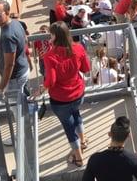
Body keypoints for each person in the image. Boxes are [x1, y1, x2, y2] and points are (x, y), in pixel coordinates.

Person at [42, 21, 90, 167]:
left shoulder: (49, 56)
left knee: (69, 127)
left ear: (55, 36)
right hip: (78, 93)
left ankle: (79, 158)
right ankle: (83, 141)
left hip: (60, 99)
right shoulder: (78, 47)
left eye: (51, 34)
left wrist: (42, 87)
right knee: (76, 114)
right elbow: (86, 68)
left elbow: (51, 81)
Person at [0, 0, 29, 146]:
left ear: (6, 13)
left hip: (14, 78)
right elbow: (23, 40)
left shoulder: (7, 35)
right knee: (21, 104)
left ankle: (20, 139)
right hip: (22, 71)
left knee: (15, 109)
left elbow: (9, 65)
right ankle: (26, 128)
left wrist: (1, 88)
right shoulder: (14, 23)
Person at [82, 116, 137, 181]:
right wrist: (136, 158)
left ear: (109, 134)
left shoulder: (95, 159)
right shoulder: (134, 160)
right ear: (128, 136)